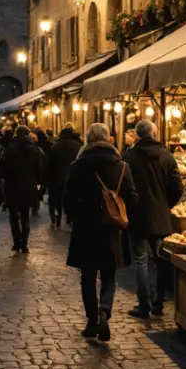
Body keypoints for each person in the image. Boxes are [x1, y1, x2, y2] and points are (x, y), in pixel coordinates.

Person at [63, 123, 138, 342]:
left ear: (88, 139)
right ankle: (105, 309)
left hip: (85, 228)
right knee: (108, 273)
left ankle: (92, 320)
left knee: (87, 276)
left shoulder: (78, 165)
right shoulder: (121, 165)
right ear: (109, 139)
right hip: (111, 229)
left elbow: (67, 198)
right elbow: (132, 197)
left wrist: (75, 216)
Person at [123, 119, 184, 318]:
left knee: (140, 261)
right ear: (155, 132)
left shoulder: (129, 157)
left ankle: (144, 305)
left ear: (137, 135)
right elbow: (177, 187)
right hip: (160, 216)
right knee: (161, 260)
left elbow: (123, 188)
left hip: (137, 216)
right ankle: (159, 302)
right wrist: (166, 205)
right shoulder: (166, 156)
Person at [2, 125, 44, 254]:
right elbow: (39, 168)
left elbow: (3, 167)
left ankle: (16, 243)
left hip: (12, 185)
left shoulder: (10, 148)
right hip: (28, 185)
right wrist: (37, 182)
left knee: (13, 216)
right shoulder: (34, 149)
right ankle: (24, 244)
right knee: (25, 216)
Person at [48, 124, 82, 228]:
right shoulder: (79, 146)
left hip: (57, 177)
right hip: (73, 176)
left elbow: (50, 163)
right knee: (72, 197)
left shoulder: (55, 146)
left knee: (56, 199)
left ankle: (56, 218)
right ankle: (70, 217)